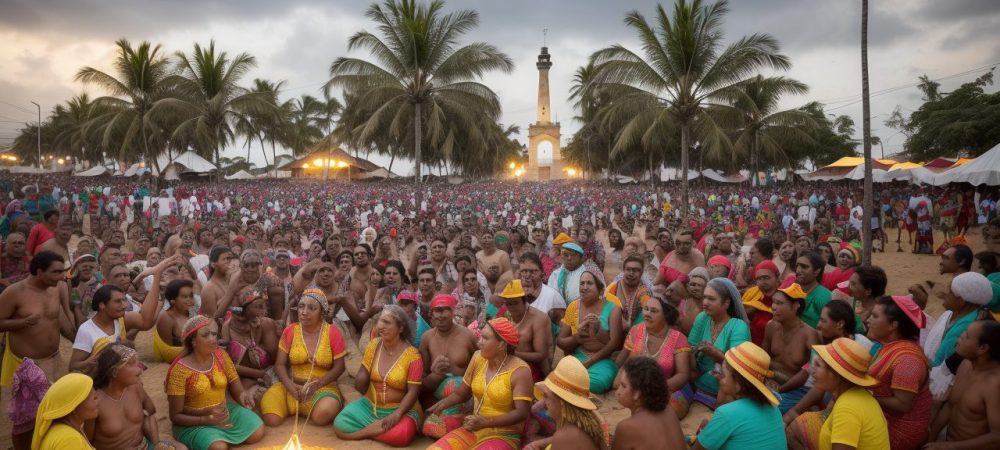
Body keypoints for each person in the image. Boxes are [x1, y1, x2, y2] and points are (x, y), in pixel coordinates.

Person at [426, 318, 533, 450]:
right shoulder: (478, 358)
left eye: (485, 338)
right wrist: (440, 406)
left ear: (502, 344)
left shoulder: (520, 371)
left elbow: (522, 412)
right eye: (480, 337)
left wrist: (486, 422)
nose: (479, 342)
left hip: (505, 434)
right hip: (475, 427)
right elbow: (461, 394)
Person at [165, 315, 264, 450]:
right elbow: (175, 416)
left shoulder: (221, 356)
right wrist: (205, 419)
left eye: (214, 334)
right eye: (205, 335)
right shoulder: (180, 371)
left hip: (224, 412)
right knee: (218, 447)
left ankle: (219, 436)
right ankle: (214, 437)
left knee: (257, 429)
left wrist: (243, 397)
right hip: (194, 423)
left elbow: (238, 389)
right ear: (193, 341)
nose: (212, 339)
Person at [334, 305, 423, 446]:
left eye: (386, 322)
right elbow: (361, 378)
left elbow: (413, 392)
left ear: (400, 328)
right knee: (340, 423)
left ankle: (364, 432)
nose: (380, 326)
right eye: (380, 321)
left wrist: (397, 414)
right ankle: (373, 431)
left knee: (402, 435)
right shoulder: (373, 345)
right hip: (372, 406)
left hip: (400, 410)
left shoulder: (413, 356)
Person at [70, 256, 178, 373]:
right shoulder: (86, 330)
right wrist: (90, 362)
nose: (124, 306)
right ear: (102, 305)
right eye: (118, 302)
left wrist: (157, 276)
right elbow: (73, 366)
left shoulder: (120, 319)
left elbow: (146, 321)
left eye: (124, 301)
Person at [262, 288, 345, 427]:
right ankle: (293, 406)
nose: (304, 312)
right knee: (271, 418)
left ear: (321, 312)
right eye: (301, 306)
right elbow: (279, 365)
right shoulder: (290, 330)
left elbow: (340, 366)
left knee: (322, 416)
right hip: (291, 387)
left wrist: (317, 385)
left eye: (311, 308)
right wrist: (290, 386)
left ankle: (313, 407)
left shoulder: (332, 332)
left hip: (322, 389)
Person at [87, 344, 186, 450]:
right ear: (115, 371)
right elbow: (87, 441)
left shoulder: (135, 386)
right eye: (131, 364)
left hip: (144, 446)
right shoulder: (95, 401)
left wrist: (156, 443)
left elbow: (150, 411)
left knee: (181, 448)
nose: (139, 370)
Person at [692, 342, 787, 450]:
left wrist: (702, 434)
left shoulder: (727, 413)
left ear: (738, 384)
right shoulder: (773, 409)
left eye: (722, 374)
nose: (719, 378)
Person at [866, 295, 932, 450]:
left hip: (898, 433)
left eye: (875, 316)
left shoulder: (908, 360)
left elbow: (902, 405)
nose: (868, 320)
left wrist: (866, 395)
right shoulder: (889, 346)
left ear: (893, 325)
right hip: (881, 420)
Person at [615, 294, 692, 419]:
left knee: (669, 411)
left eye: (654, 311)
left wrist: (655, 389)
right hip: (642, 387)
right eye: (646, 309)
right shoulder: (636, 331)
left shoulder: (678, 338)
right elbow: (627, 366)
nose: (647, 314)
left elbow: (683, 375)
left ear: (666, 315)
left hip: (671, 386)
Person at [926, 320, 1000, 448]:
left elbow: (997, 436)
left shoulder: (994, 385)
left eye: (966, 336)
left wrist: (951, 447)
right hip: (949, 441)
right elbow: (950, 406)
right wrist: (931, 436)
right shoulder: (966, 364)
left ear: (983, 348)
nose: (959, 337)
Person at [420, 294, 479, 438]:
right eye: (437, 310)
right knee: (430, 429)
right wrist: (436, 374)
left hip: (463, 397)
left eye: (444, 310)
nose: (440, 315)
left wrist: (454, 370)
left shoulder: (467, 336)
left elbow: (479, 370)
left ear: (453, 311)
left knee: (455, 384)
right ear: (432, 313)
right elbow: (422, 380)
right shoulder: (427, 338)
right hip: (436, 397)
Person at [557, 269, 623, 394]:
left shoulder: (613, 308)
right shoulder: (574, 306)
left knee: (596, 383)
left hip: (604, 359)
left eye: (589, 283)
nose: (585, 287)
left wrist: (599, 330)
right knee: (559, 375)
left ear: (600, 289)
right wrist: (578, 336)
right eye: (582, 284)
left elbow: (615, 343)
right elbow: (560, 341)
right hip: (578, 355)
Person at [688, 277, 750, 409]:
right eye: (704, 297)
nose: (705, 302)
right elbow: (690, 348)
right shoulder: (702, 317)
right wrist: (692, 367)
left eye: (711, 299)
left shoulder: (738, 326)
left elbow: (740, 367)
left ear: (726, 303)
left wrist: (715, 354)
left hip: (724, 390)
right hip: (695, 381)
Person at [525, 357, 610, 450]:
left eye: (546, 396)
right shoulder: (582, 426)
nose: (543, 403)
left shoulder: (565, 436)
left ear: (562, 402)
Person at [762, 283, 820, 414]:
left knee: (768, 411)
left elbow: (811, 370)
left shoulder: (809, 334)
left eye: (779, 303)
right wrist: (763, 380)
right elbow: (763, 357)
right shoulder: (771, 326)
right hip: (769, 381)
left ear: (795, 306)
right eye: (773, 302)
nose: (773, 307)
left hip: (794, 389)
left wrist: (780, 390)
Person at [608, 357, 686, 450]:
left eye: (623, 386)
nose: (618, 391)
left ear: (638, 394)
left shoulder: (627, 427)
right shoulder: (668, 410)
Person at [222, 286, 278, 396]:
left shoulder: (265, 324)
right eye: (258, 307)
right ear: (243, 308)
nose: (264, 311)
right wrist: (260, 374)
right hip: (240, 380)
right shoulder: (227, 326)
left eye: (264, 306)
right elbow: (227, 366)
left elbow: (276, 360)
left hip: (267, 376)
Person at [31, 373, 100, 450]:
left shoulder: (63, 431)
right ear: (73, 406)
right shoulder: (70, 439)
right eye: (92, 396)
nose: (97, 398)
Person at [154, 279, 194, 362]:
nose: (189, 300)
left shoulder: (192, 312)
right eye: (185, 297)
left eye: (191, 296)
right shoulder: (166, 318)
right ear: (173, 300)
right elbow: (167, 352)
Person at [605, 256, 649, 330]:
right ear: (623, 270)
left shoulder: (644, 292)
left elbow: (649, 314)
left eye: (635, 270)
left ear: (641, 273)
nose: (631, 273)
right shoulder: (613, 288)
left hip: (637, 333)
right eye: (628, 269)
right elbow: (605, 312)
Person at [742, 260, 780, 345]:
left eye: (766, 278)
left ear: (777, 278)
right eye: (759, 279)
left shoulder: (786, 302)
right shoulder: (753, 298)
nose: (763, 282)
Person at [796, 252, 831, 328]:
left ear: (816, 272)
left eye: (804, 267)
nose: (798, 271)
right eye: (797, 266)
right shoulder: (792, 290)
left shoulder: (823, 297)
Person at [547, 243, 588, 308]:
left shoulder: (588, 274)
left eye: (573, 255)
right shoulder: (555, 275)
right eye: (565, 255)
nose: (569, 258)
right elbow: (550, 297)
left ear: (581, 258)